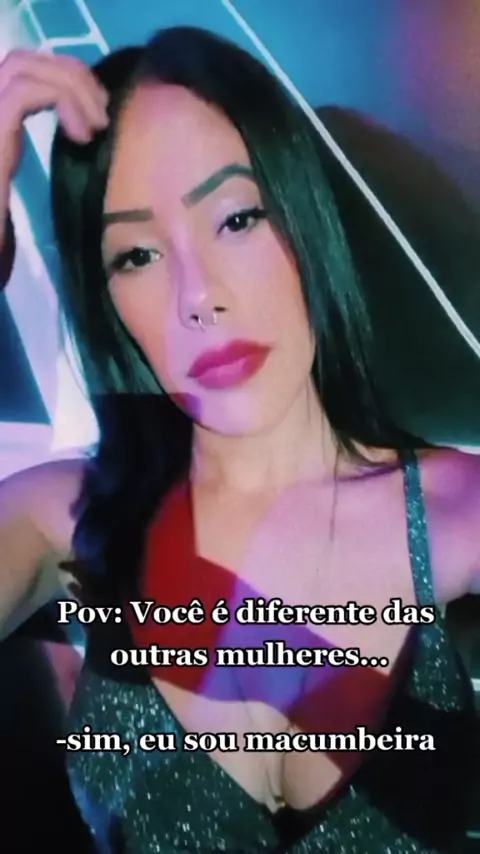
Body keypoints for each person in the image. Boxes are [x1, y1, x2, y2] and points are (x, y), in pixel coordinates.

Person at [0, 25, 479, 854]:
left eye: (237, 218)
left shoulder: (462, 515)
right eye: (136, 254)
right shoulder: (63, 514)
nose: (198, 296)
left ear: (304, 219)